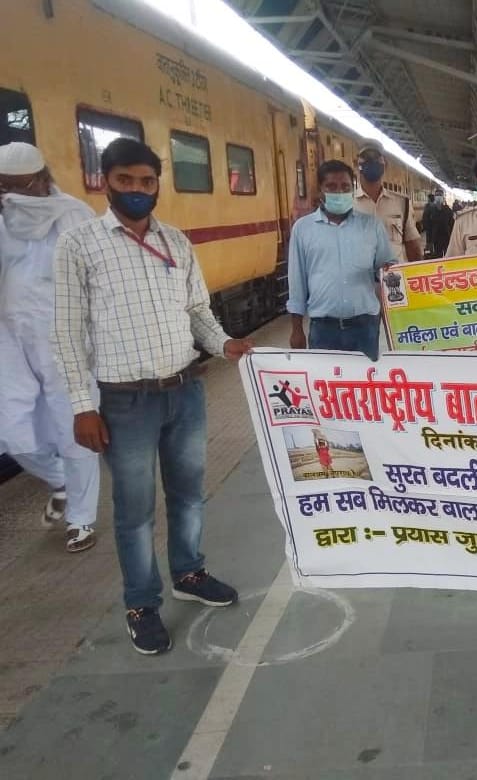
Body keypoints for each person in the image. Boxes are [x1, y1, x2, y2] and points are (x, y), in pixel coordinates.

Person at [51, 138, 253, 655]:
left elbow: (198, 312)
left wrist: (224, 344)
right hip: (125, 402)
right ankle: (141, 604)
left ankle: (189, 573)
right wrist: (82, 406)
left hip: (185, 390)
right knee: (135, 511)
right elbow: (67, 332)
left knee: (188, 495)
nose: (138, 190)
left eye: (146, 181)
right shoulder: (79, 245)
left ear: (157, 184)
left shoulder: (176, 242)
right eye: (126, 180)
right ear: (105, 182)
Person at [0, 142, 100, 553]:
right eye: (3, 187)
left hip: (64, 338)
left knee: (74, 429)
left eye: (16, 186)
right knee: (12, 430)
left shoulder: (74, 215)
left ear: (41, 180)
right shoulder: (2, 219)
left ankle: (81, 518)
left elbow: (95, 279)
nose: (10, 196)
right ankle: (58, 479)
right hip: (10, 337)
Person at [287, 159, 397, 360]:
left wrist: (387, 271)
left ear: (352, 189)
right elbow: (297, 282)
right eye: (331, 186)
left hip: (365, 326)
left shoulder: (371, 226)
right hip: (323, 328)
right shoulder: (302, 229)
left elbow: (388, 270)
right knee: (325, 381)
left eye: (345, 187)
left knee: (364, 380)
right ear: (320, 191)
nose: (339, 192)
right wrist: (296, 329)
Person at [353, 140, 422, 262]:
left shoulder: (402, 203)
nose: (371, 161)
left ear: (386, 164)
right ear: (356, 164)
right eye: (366, 157)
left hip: (395, 273)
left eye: (376, 158)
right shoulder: (347, 205)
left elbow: (413, 247)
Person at [426, 188, 455, 259]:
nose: (438, 197)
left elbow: (452, 224)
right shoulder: (430, 210)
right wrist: (428, 242)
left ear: (443, 197)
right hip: (435, 239)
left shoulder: (447, 210)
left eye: (440, 195)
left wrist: (453, 238)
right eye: (437, 195)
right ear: (435, 197)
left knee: (448, 257)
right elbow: (427, 226)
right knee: (437, 257)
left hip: (447, 238)